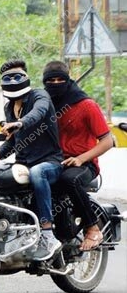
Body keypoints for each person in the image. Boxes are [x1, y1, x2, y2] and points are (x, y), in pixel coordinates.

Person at [0, 60, 64, 261]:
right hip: (23, 162)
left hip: (50, 161)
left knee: (37, 173)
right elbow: (13, 140)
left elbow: (38, 113)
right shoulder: (9, 108)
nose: (14, 79)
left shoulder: (39, 96)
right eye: (9, 76)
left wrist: (20, 122)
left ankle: (48, 234)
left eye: (18, 75)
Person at [42, 61, 114, 251]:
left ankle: (92, 228)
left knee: (69, 180)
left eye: (60, 79)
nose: (56, 83)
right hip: (55, 162)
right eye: (51, 80)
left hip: (84, 164)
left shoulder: (86, 105)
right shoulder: (44, 106)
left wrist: (81, 158)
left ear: (68, 79)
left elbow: (108, 141)